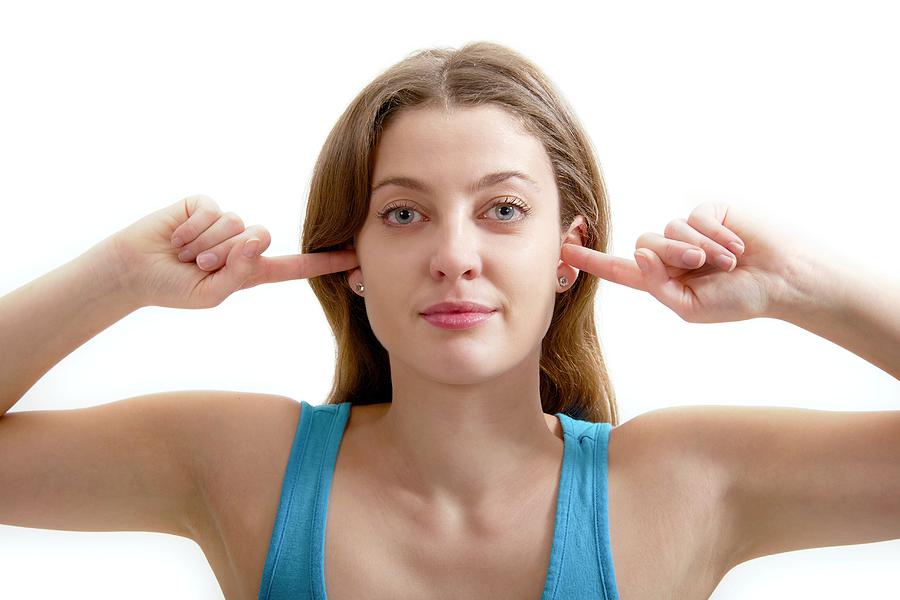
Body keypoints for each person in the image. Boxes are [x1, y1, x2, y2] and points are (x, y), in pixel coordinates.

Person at [1, 41, 898, 600]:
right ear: (348, 260)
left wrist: (810, 286)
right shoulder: (243, 462)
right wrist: (114, 276)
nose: (454, 255)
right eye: (403, 213)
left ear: (566, 253)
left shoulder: (684, 481)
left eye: (503, 210)